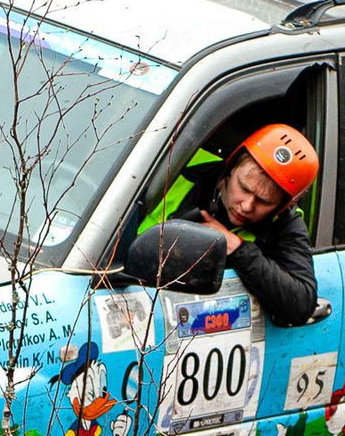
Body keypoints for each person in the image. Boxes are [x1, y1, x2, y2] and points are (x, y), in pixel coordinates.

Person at [137, 122, 321, 325]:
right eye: (244, 188)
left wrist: (237, 249)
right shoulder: (180, 166)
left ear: (281, 206)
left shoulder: (285, 222)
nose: (247, 205)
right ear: (230, 169)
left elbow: (302, 303)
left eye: (264, 201)